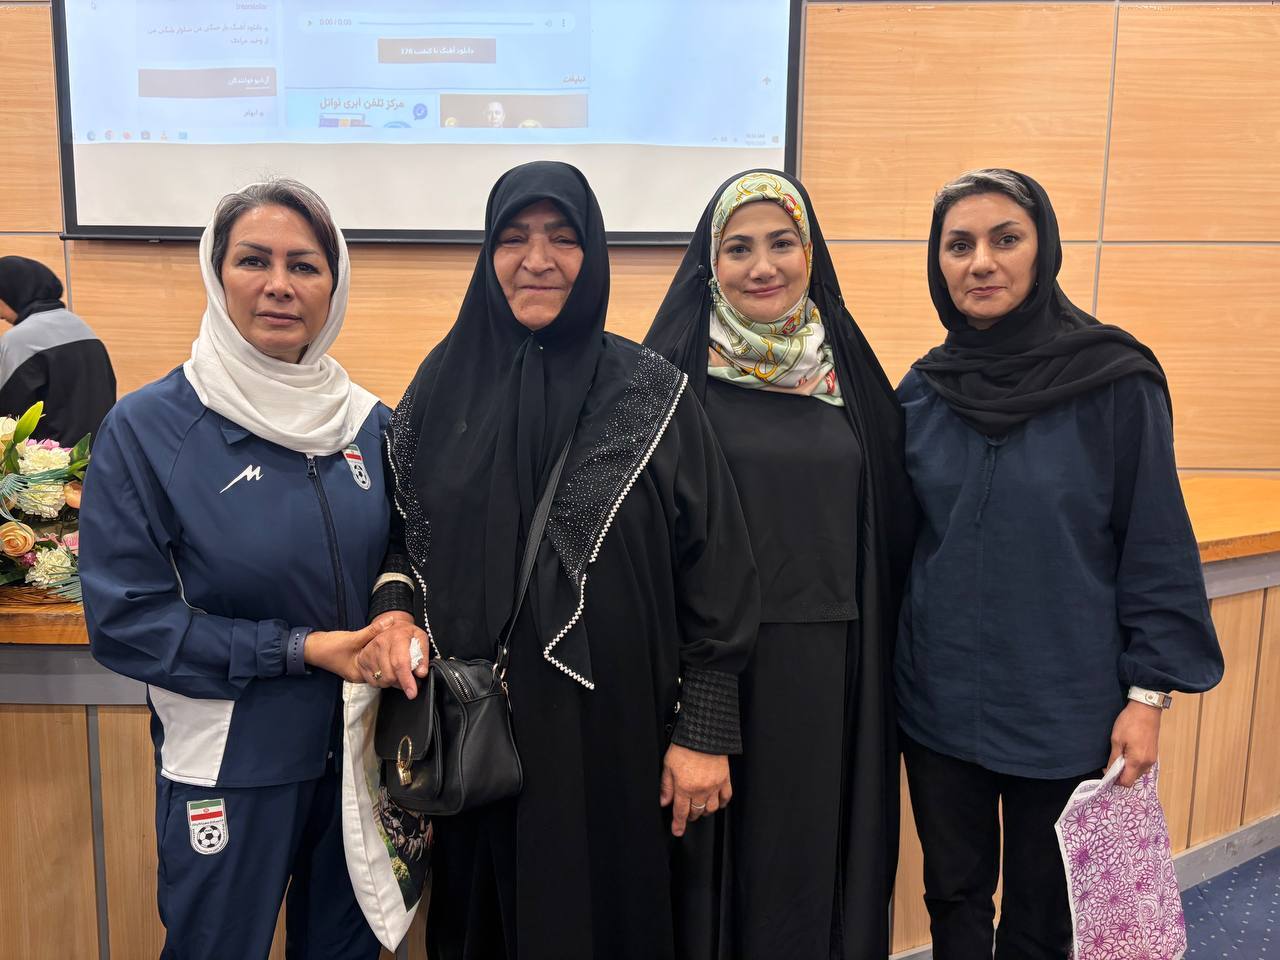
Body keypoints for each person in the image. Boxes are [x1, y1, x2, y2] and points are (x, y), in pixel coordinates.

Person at [360, 160, 760, 960]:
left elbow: (717, 567)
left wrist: (704, 732)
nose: (536, 260)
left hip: (610, 745)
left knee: (604, 922)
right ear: (488, 254)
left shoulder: (649, 391)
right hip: (474, 741)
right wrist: (395, 609)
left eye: (562, 238)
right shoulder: (440, 386)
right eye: (513, 238)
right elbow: (397, 533)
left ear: (594, 253)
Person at [80, 179, 421, 959]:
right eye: (253, 260)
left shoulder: (370, 425)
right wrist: (300, 649)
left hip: (360, 759)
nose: (278, 284)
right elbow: (128, 624)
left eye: (304, 265)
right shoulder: (149, 429)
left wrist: (397, 612)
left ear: (334, 285)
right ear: (216, 273)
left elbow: (402, 551)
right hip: (229, 758)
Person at [896, 168, 1224, 959]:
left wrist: (1147, 696)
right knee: (953, 896)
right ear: (938, 264)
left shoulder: (1113, 381)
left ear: (1043, 250)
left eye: (1005, 239)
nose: (981, 262)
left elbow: (1155, 544)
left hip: (1065, 704)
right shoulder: (922, 392)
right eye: (959, 245)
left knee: (1044, 916)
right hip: (939, 699)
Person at [645, 169, 916, 959]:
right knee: (710, 879)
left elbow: (894, 524)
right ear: (710, 264)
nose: (762, 266)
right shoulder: (666, 382)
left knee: (815, 874)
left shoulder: (852, 379)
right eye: (738, 248)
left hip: (836, 678)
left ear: (810, 253)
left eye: (781, 243)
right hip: (712, 676)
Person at [0, 254, 116, 442]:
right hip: (100, 452)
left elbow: (9, 421)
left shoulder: (19, 340)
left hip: (48, 458)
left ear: (12, 292)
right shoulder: (85, 330)